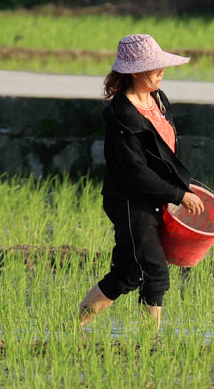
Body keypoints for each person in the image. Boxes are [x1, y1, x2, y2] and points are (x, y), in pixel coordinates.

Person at [77, 34, 204, 330]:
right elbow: (135, 171)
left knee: (126, 274)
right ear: (135, 71)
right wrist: (178, 195)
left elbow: (166, 156)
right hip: (130, 201)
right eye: (155, 67)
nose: (161, 72)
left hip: (156, 196)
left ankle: (71, 328)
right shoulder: (121, 114)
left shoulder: (159, 99)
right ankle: (152, 344)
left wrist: (190, 192)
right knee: (156, 272)